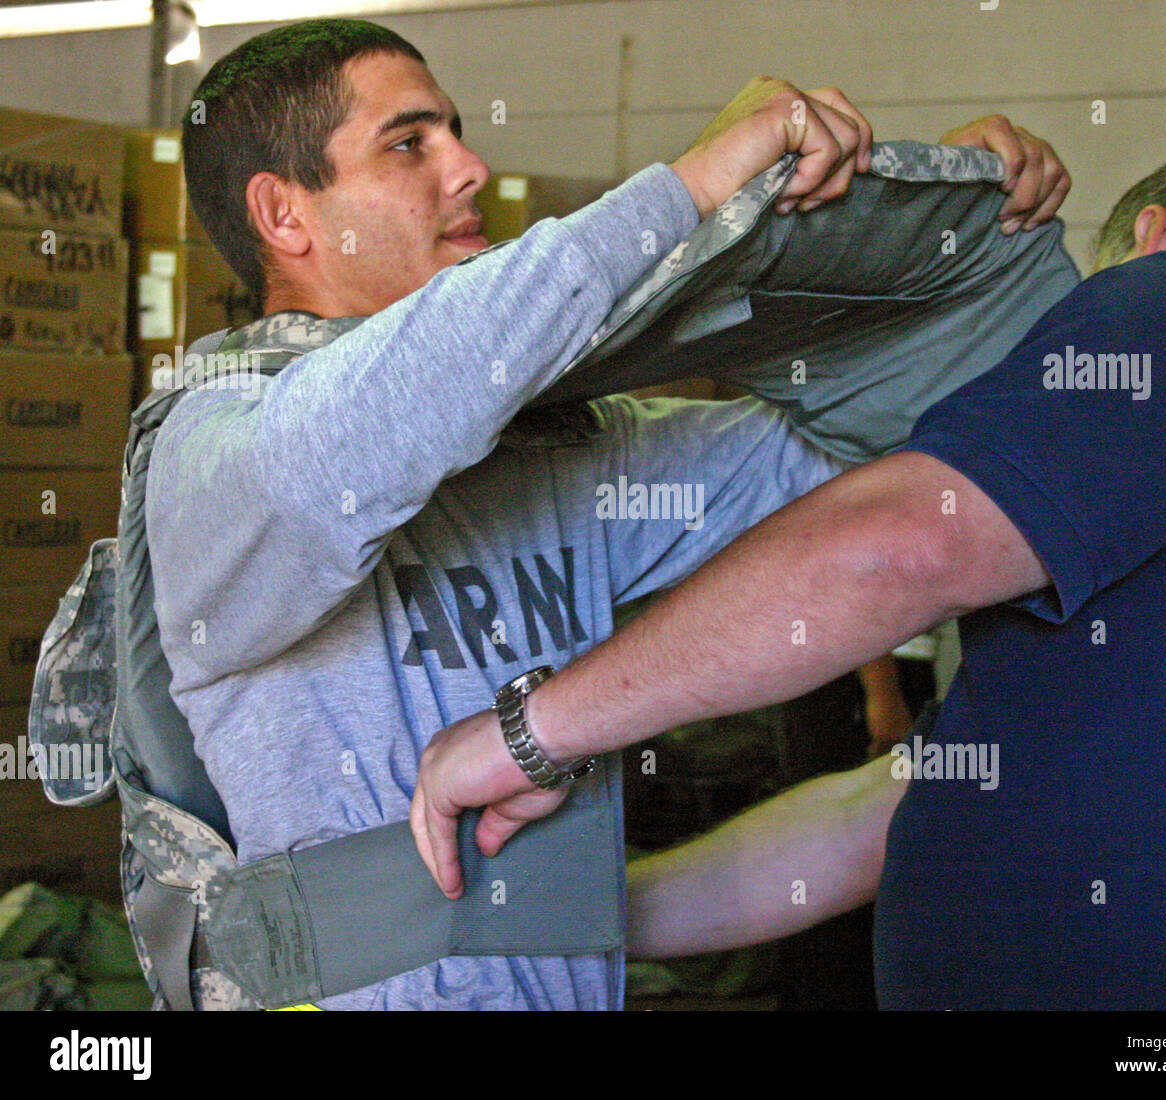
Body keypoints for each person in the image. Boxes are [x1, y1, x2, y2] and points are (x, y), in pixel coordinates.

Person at [154, 18, 1066, 1009]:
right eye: (410, 142)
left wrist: (935, 231)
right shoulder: (211, 460)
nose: (468, 166)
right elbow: (379, 410)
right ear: (284, 215)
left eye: (456, 130)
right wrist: (692, 193)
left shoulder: (555, 462)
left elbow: (869, 447)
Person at [412, 145, 1166, 1009]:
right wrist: (575, 914)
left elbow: (903, 545)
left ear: (1149, 234)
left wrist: (534, 731)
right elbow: (895, 815)